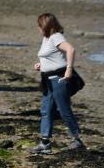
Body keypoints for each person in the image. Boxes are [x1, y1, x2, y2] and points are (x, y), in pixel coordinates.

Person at [31, 13, 84, 153]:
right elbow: (53, 57)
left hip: (59, 79)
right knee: (46, 111)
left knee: (64, 110)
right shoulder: (46, 38)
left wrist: (69, 70)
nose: (38, 28)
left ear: (46, 26)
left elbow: (71, 50)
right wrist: (41, 65)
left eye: (40, 25)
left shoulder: (56, 37)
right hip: (47, 80)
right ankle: (45, 143)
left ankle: (77, 139)